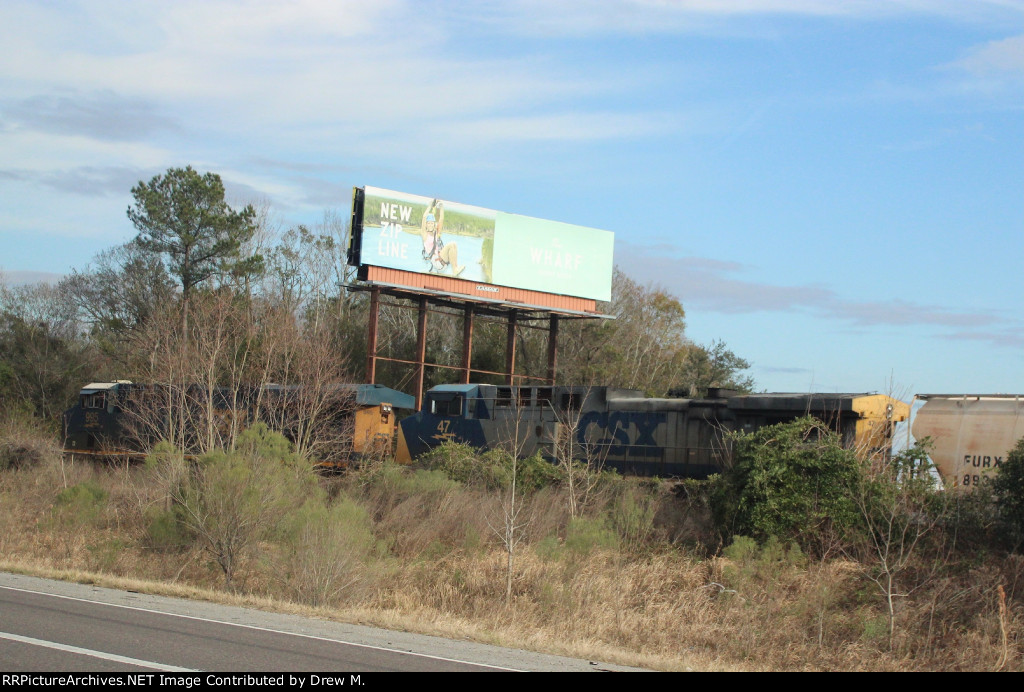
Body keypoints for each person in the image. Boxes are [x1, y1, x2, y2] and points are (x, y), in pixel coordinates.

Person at [420, 200, 464, 277]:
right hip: (437, 262)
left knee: (454, 245)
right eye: (429, 223)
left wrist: (441, 207)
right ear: (426, 225)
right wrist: (430, 206)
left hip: (442, 261)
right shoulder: (425, 235)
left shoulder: (436, 234)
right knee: (451, 244)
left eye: (432, 223)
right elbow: (424, 217)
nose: (430, 225)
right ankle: (455, 270)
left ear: (434, 224)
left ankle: (455, 268)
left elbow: (441, 220)